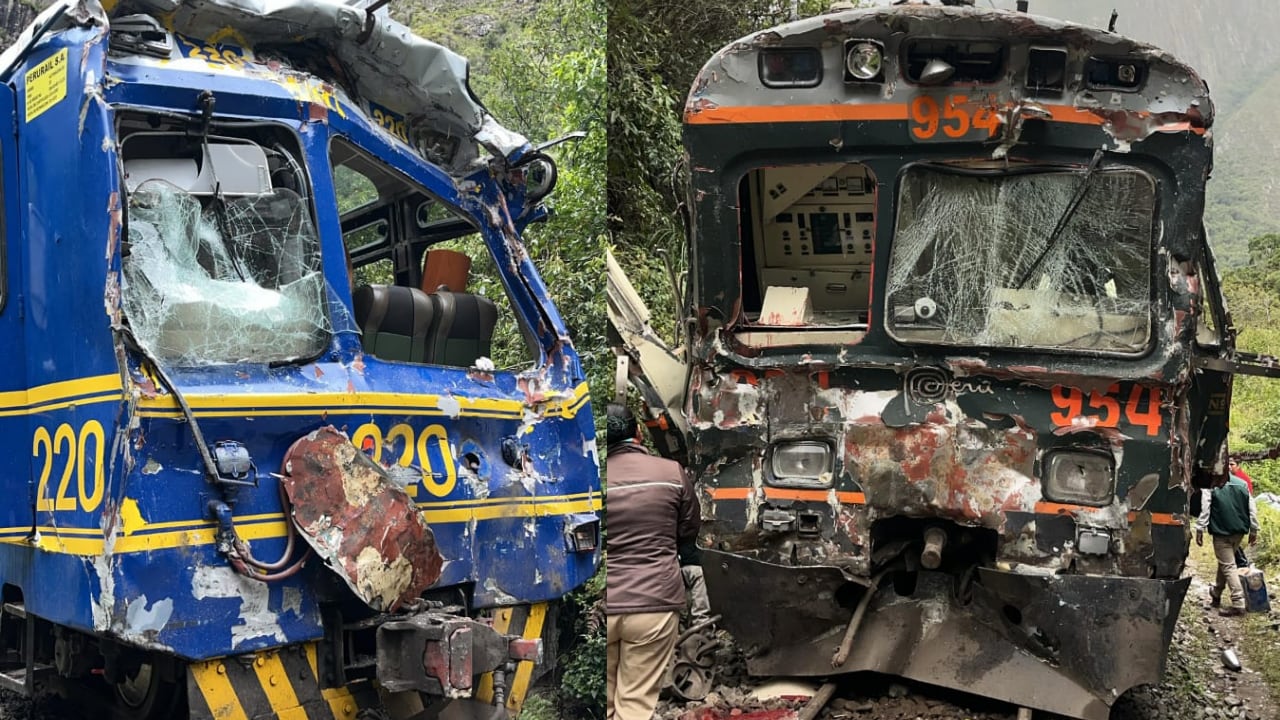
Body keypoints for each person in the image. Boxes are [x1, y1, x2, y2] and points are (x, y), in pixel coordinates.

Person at [606, 403, 700, 720]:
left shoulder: (588, 476)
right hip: (654, 605)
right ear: (637, 432)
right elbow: (689, 530)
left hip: (603, 606)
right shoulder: (671, 473)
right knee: (633, 705)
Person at [1196, 471, 1260, 616]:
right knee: (1225, 562)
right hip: (1239, 532)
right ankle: (1216, 592)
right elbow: (1252, 508)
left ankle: (1238, 602)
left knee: (1228, 565)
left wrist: (1200, 528)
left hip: (1221, 531)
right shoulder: (1241, 483)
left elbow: (1205, 508)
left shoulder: (1211, 485)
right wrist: (1253, 529)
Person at [1229, 459, 1255, 568]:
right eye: (1228, 464)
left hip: (1239, 515)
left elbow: (1248, 500)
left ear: (1238, 466)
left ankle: (1242, 563)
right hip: (1231, 514)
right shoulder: (1227, 479)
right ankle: (1240, 563)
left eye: (1232, 464)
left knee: (1231, 541)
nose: (1229, 467)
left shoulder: (1243, 480)